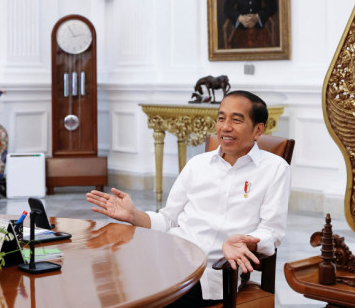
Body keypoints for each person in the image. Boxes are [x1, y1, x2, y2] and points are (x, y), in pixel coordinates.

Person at [86, 90, 291, 307]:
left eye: (236, 120)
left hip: (210, 275)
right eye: (221, 118)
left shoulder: (275, 169)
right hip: (167, 259)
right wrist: (133, 215)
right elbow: (169, 220)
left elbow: (272, 232)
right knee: (108, 286)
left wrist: (244, 241)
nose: (225, 127)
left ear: (258, 130)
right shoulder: (197, 164)